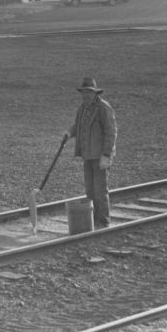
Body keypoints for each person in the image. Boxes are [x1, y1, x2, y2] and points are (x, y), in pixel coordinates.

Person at [67, 76, 117, 228]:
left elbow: (111, 132)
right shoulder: (82, 108)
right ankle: (94, 220)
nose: (86, 95)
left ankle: (104, 221)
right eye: (84, 92)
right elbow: (77, 126)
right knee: (90, 191)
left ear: (95, 93)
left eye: (89, 92)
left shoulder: (103, 108)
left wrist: (106, 155)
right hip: (87, 156)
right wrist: (69, 133)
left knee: (100, 191)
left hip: (100, 157)